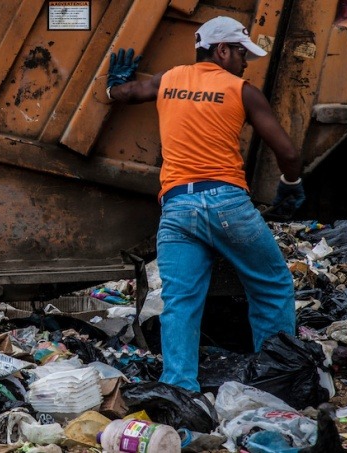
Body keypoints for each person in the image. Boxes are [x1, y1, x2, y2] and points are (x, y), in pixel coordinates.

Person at [106, 16, 306, 392]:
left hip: (177, 208)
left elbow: (127, 94)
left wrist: (113, 84)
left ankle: (180, 390)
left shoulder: (169, 79)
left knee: (180, 304)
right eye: (242, 53)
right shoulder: (242, 90)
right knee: (272, 285)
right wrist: (290, 184)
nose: (245, 61)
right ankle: (274, 380)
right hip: (227, 203)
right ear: (222, 50)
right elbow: (289, 153)